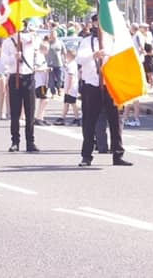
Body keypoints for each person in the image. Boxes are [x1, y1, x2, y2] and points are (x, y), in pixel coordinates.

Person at [76, 14, 132, 167]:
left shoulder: (112, 41)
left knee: (116, 121)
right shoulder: (87, 41)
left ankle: (118, 155)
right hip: (92, 86)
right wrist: (93, 55)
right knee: (89, 122)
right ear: (93, 24)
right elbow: (79, 59)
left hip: (110, 85)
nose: (98, 26)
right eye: (96, 22)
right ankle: (86, 156)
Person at [5, 20, 39, 152]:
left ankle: (30, 141)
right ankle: (15, 141)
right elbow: (4, 61)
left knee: (30, 112)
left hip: (28, 77)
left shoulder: (30, 39)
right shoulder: (8, 42)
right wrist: (14, 57)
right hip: (15, 78)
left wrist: (23, 36)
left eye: (23, 26)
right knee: (15, 112)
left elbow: (35, 43)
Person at [55, 48, 81, 126]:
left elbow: (71, 77)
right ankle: (62, 118)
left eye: (67, 54)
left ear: (69, 55)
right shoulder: (70, 64)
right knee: (66, 103)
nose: (66, 55)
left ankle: (77, 118)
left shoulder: (72, 65)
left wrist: (68, 88)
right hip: (69, 87)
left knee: (73, 103)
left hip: (71, 88)